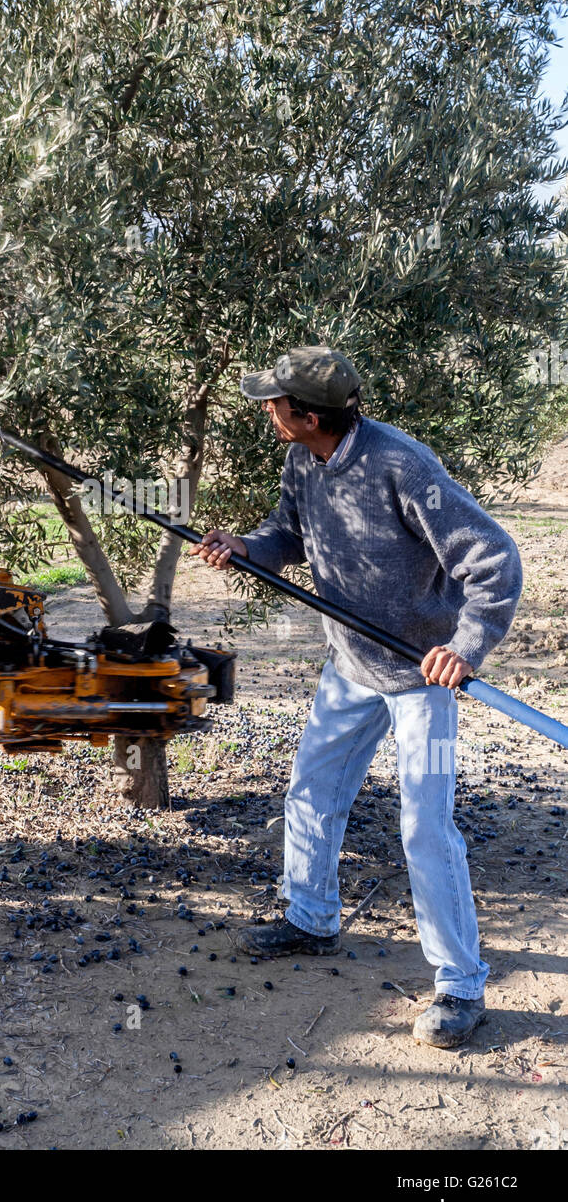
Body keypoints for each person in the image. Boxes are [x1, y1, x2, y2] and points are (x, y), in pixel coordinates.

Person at [190, 345, 523, 1049]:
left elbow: (493, 560)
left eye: (274, 403)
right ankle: (311, 916)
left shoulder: (402, 465)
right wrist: (245, 547)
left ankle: (460, 985)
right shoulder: (301, 460)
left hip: (420, 681)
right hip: (349, 664)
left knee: (425, 828)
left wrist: (463, 648)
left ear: (308, 415)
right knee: (311, 790)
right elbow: (288, 536)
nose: (265, 411)